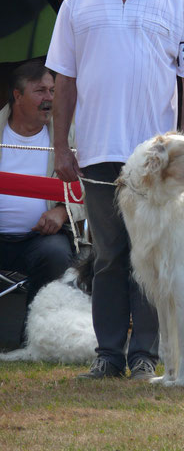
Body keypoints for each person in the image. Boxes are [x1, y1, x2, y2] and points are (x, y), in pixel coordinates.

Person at [46, 0, 184, 381]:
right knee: (111, 256)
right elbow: (63, 80)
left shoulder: (176, 0)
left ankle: (146, 355)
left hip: (156, 161)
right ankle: (110, 353)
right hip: (98, 152)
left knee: (154, 258)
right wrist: (61, 148)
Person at [0, 60, 83, 318]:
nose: (49, 98)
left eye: (53, 91)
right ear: (17, 96)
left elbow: (89, 185)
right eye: (40, 91)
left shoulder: (69, 136)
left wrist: (62, 211)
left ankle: (34, 338)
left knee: (56, 254)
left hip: (41, 239)